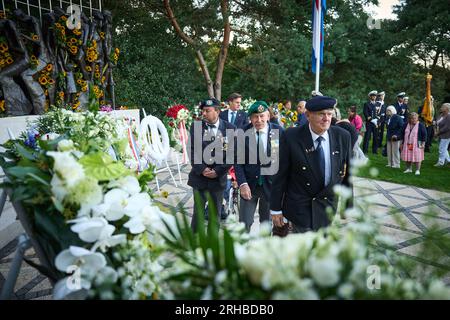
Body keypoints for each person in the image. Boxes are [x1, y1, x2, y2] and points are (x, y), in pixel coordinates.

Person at [270, 95, 353, 232]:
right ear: (308, 115)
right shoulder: (292, 136)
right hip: (300, 209)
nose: (326, 118)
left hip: (327, 207)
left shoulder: (342, 136)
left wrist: (348, 206)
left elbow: (348, 173)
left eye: (329, 114)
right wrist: (275, 208)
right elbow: (280, 174)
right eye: (321, 114)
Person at [188, 98, 236, 231]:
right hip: (199, 177)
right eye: (203, 110)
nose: (204, 113)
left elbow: (232, 154)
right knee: (198, 213)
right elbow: (192, 151)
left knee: (215, 214)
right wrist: (203, 169)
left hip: (218, 179)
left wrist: (217, 171)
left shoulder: (230, 128)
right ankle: (194, 242)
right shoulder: (196, 126)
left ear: (217, 111)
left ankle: (212, 244)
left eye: (207, 111)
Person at [234, 101, 283, 232]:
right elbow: (238, 162)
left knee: (266, 224)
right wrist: (242, 183)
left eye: (262, 116)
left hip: (270, 186)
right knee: (244, 224)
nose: (259, 120)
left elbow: (284, 160)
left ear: (268, 116)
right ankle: (243, 251)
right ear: (250, 118)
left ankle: (263, 251)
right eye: (255, 116)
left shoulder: (278, 131)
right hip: (249, 185)